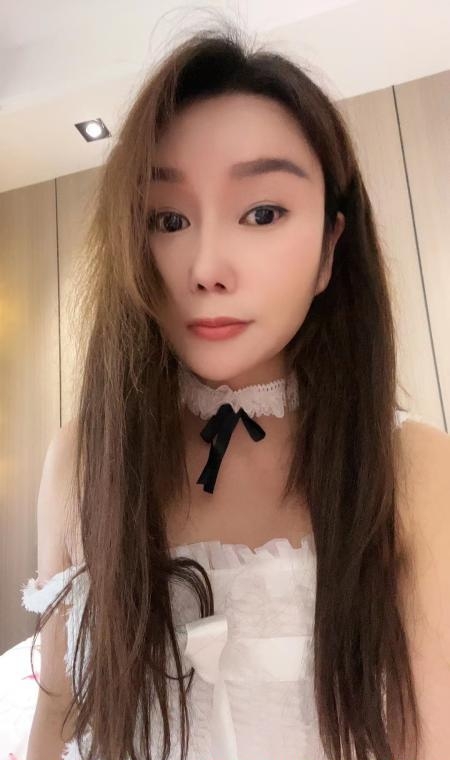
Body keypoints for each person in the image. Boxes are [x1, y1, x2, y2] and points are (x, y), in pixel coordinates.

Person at [1, 20, 447, 760]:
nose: (206, 267)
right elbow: (57, 703)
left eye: (262, 213)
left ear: (330, 248)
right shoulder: (85, 454)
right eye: (168, 219)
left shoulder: (414, 467)